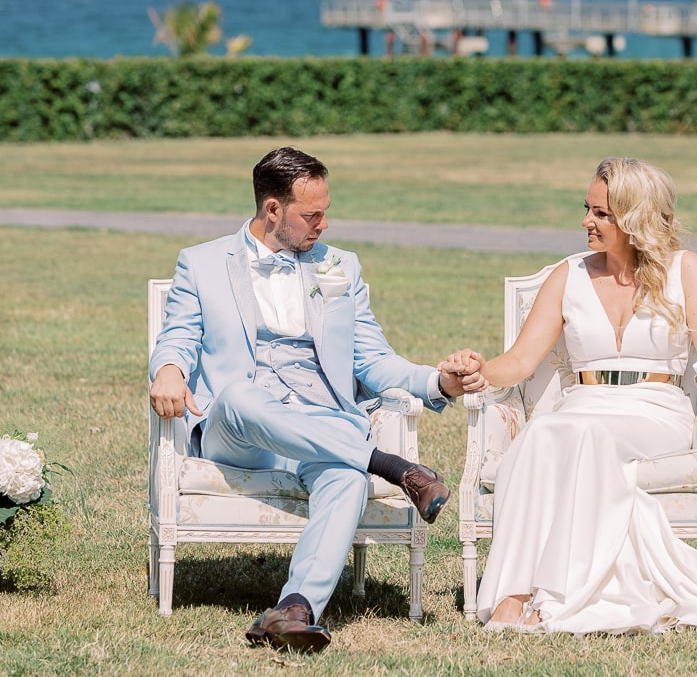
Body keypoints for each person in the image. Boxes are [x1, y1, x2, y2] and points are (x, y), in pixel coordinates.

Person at [440, 157, 697, 636]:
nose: (586, 220)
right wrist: (481, 370)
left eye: (601, 213)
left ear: (634, 218)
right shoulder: (568, 275)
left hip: (655, 412)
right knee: (548, 429)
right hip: (582, 408)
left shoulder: (685, 270)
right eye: (587, 209)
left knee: (566, 432)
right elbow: (519, 362)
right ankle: (513, 596)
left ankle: (559, 595)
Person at [149, 146, 478, 653]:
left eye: (326, 211)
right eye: (312, 214)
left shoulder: (337, 266)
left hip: (323, 425)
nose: (323, 225)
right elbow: (177, 337)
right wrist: (170, 370)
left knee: (344, 473)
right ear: (272, 209)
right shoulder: (203, 263)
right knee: (237, 396)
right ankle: (392, 466)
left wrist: (440, 382)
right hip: (241, 431)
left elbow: (372, 359)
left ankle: (295, 608)